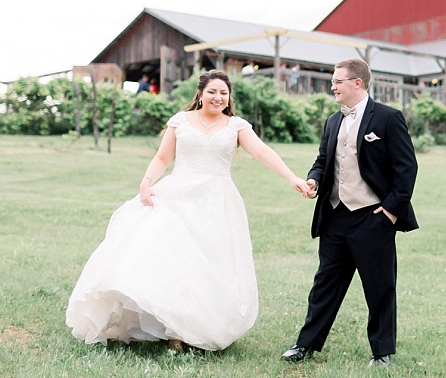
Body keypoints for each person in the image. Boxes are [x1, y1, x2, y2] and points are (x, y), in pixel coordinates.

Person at [66, 71, 316, 352]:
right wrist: (147, 183)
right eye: (212, 92)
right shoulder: (180, 121)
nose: (218, 97)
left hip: (217, 202)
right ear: (200, 94)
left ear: (229, 97)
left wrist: (292, 177)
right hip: (178, 196)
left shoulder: (236, 126)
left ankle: (192, 328)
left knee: (207, 266)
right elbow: (163, 157)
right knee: (174, 259)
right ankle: (172, 330)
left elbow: (263, 152)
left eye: (223, 93)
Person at [282, 58, 418, 368]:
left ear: (357, 83)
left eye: (338, 81)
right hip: (334, 215)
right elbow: (323, 160)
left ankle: (381, 353)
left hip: (373, 217)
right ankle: (306, 345)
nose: (333, 86)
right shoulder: (333, 121)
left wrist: (391, 213)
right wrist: (315, 179)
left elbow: (406, 168)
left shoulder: (387, 118)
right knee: (324, 284)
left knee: (379, 287)